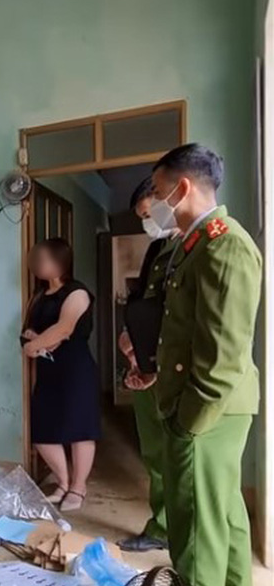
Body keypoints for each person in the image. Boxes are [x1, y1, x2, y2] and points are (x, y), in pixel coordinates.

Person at [151, 143, 262, 586]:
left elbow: (223, 354)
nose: (155, 202)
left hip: (207, 410)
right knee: (225, 516)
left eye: (158, 191)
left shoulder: (225, 246)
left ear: (183, 188)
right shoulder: (195, 243)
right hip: (215, 407)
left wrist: (187, 422)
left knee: (195, 532)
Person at [116, 178, 180, 551]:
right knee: (155, 453)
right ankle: (162, 527)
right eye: (142, 217)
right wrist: (131, 344)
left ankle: (179, 532)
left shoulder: (198, 246)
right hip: (145, 364)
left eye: (149, 213)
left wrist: (157, 366)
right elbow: (142, 300)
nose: (148, 222)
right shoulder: (159, 247)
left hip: (174, 370)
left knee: (180, 458)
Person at [22, 238, 100, 510]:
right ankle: (63, 482)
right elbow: (32, 331)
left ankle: (78, 488)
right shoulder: (39, 295)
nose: (37, 264)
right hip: (48, 369)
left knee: (80, 429)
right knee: (42, 430)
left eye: (43, 259)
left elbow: (65, 328)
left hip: (75, 368)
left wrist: (35, 344)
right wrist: (35, 340)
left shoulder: (77, 292)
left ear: (60, 262)